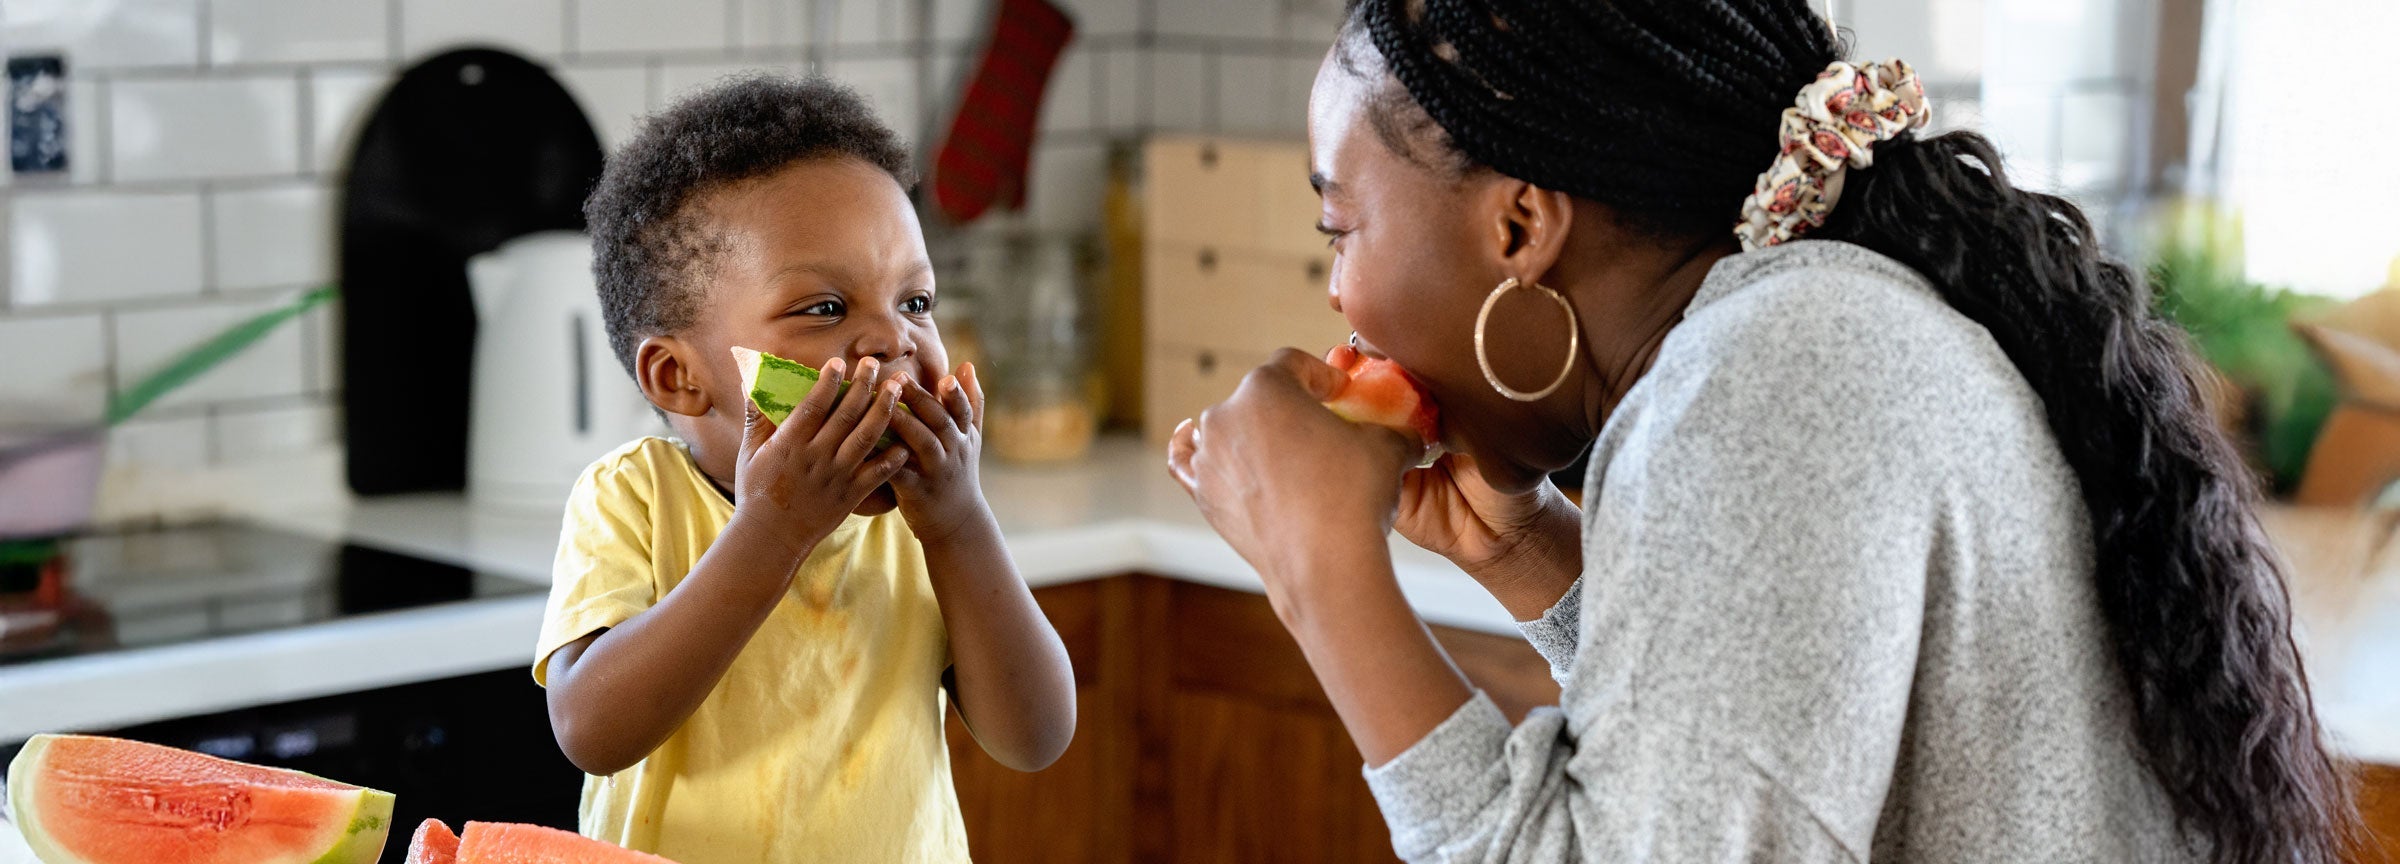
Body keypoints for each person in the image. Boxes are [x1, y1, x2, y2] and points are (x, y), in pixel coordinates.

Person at [1166, 1, 2358, 861]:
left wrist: (1320, 563)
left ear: (1520, 225)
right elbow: (1760, 778)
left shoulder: (1776, 374)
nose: (1337, 298)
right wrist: (1534, 559)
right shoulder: (1800, 337)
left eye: (1340, 229)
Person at [533, 75, 1076, 862]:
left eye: (915, 303)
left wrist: (961, 524)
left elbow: (1034, 738)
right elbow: (592, 730)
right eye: (825, 309)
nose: (892, 340)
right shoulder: (632, 497)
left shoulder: (926, 523)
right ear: (679, 377)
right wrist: (772, 530)